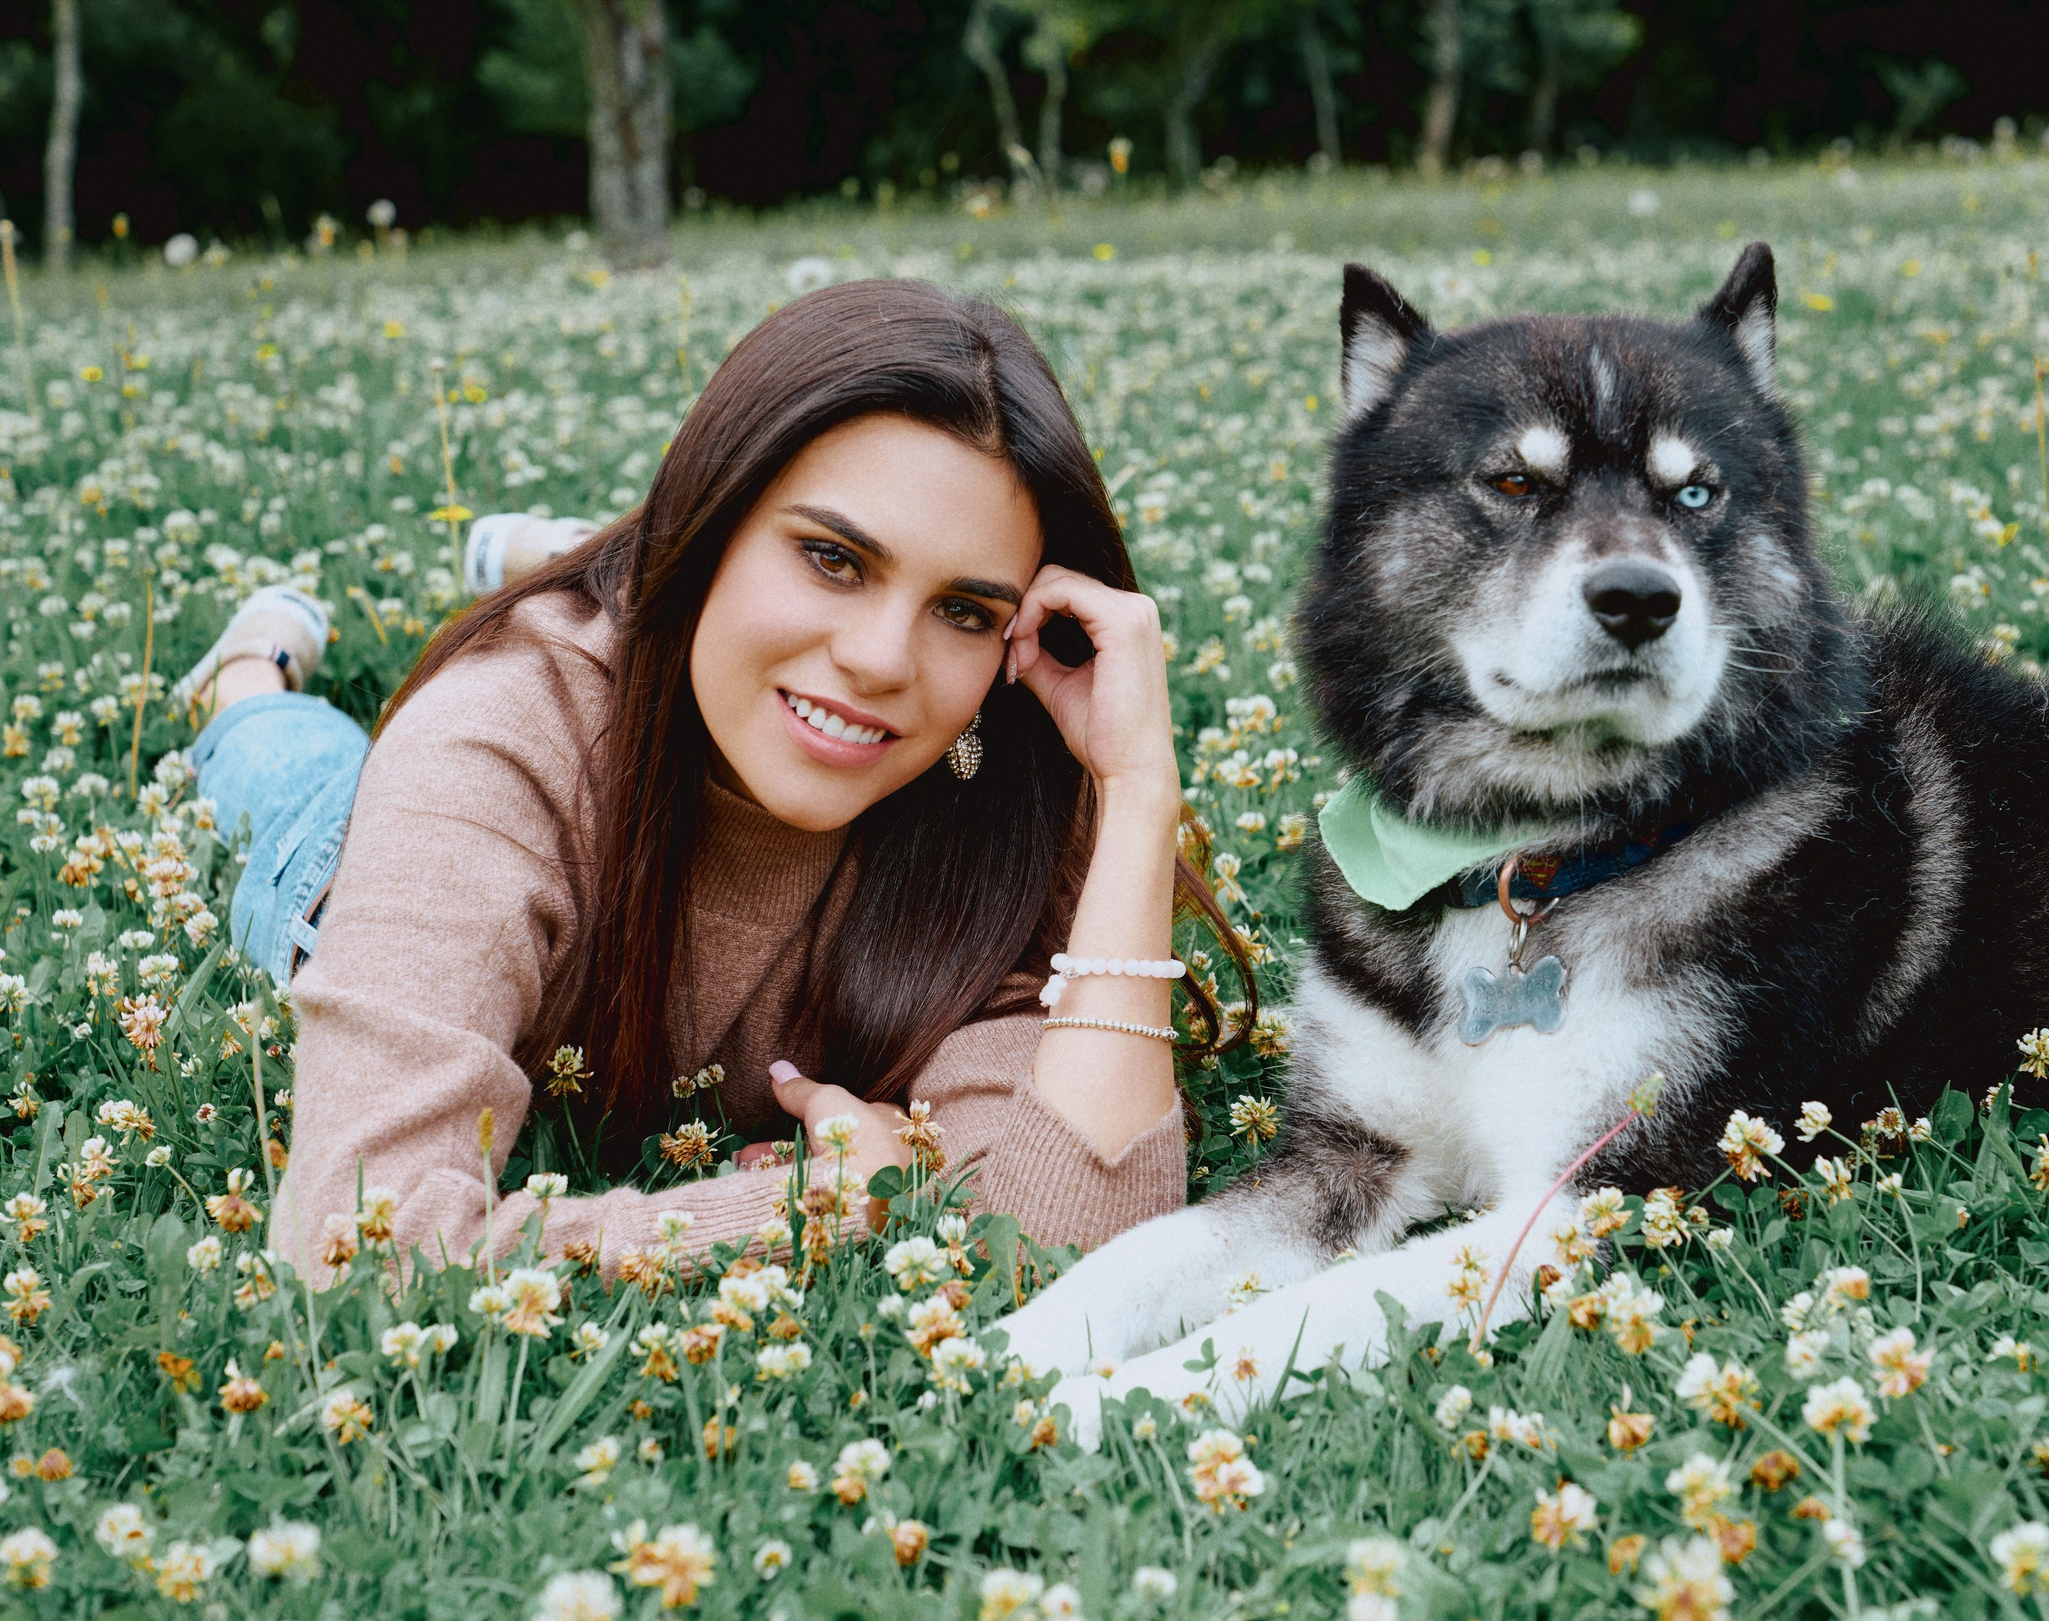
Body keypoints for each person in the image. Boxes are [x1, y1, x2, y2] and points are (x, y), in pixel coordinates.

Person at [178, 279, 1247, 1283]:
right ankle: (251, 663)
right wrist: (822, 1211)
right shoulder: (500, 736)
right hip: (343, 866)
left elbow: (1072, 1245)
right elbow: (356, 1254)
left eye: (965, 610)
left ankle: (586, 547)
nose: (882, 660)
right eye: (834, 557)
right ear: (716, 518)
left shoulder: (988, 792)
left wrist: (1138, 789)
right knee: (287, 764)